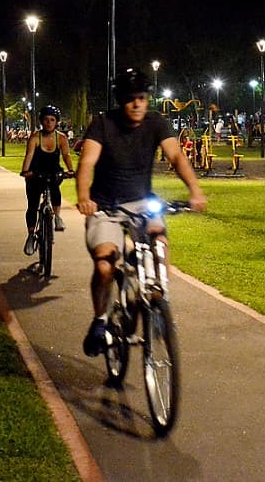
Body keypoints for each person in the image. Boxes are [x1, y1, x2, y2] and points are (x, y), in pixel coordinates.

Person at [76, 68, 207, 357]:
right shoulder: (102, 124)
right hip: (105, 206)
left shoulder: (156, 122)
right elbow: (87, 163)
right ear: (120, 101)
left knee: (159, 242)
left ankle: (160, 299)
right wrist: (84, 197)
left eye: (142, 98)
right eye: (130, 99)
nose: (137, 104)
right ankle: (99, 321)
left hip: (142, 203)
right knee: (105, 265)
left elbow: (175, 156)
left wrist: (194, 190)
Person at [20, 105, 75, 256]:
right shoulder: (35, 137)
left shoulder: (61, 138)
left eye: (52, 120)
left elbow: (66, 156)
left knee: (55, 188)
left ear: (56, 122)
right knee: (32, 205)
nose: (49, 123)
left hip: (52, 171)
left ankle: (57, 217)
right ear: (41, 121)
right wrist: (25, 171)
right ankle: (31, 236)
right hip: (35, 172)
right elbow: (29, 155)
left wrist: (70, 170)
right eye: (46, 120)